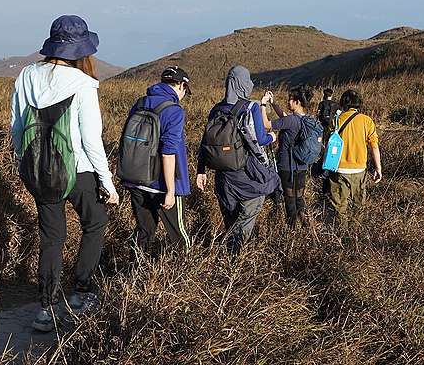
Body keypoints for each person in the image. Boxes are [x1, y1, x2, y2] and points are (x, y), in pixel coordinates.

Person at [10, 15, 119, 333]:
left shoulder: (27, 75)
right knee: (95, 224)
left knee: (52, 238)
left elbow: (17, 126)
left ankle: (45, 309)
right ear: (80, 49)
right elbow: (90, 139)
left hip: (39, 171)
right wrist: (107, 181)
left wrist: (25, 162)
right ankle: (81, 293)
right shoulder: (84, 84)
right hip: (80, 170)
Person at [196, 65, 278, 254]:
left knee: (231, 220)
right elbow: (260, 138)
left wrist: (201, 170)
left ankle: (229, 254)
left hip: (223, 179)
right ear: (243, 83)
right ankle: (232, 257)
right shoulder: (251, 108)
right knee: (245, 220)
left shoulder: (216, 109)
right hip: (247, 176)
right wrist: (272, 137)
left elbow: (205, 142)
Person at [122, 66, 192, 257]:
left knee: (144, 232)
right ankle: (183, 276)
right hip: (162, 184)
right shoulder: (174, 111)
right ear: (180, 85)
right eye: (185, 89)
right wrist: (171, 190)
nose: (184, 94)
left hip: (136, 179)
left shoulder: (140, 103)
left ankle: (135, 276)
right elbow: (168, 152)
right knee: (179, 236)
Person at [326, 89, 382, 229]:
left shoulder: (336, 120)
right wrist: (378, 168)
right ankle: (356, 232)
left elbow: (328, 142)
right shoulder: (367, 121)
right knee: (359, 205)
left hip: (339, 169)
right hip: (359, 169)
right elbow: (374, 146)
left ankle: (341, 234)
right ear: (359, 104)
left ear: (343, 103)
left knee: (339, 206)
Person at [268, 85, 317, 228]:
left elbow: (266, 125)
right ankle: (307, 226)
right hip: (302, 165)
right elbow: (283, 116)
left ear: (297, 102)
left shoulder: (291, 121)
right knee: (299, 198)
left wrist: (264, 104)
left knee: (289, 199)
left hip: (287, 166)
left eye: (290, 99)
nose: (288, 102)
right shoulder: (307, 119)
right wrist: (273, 103)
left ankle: (292, 231)